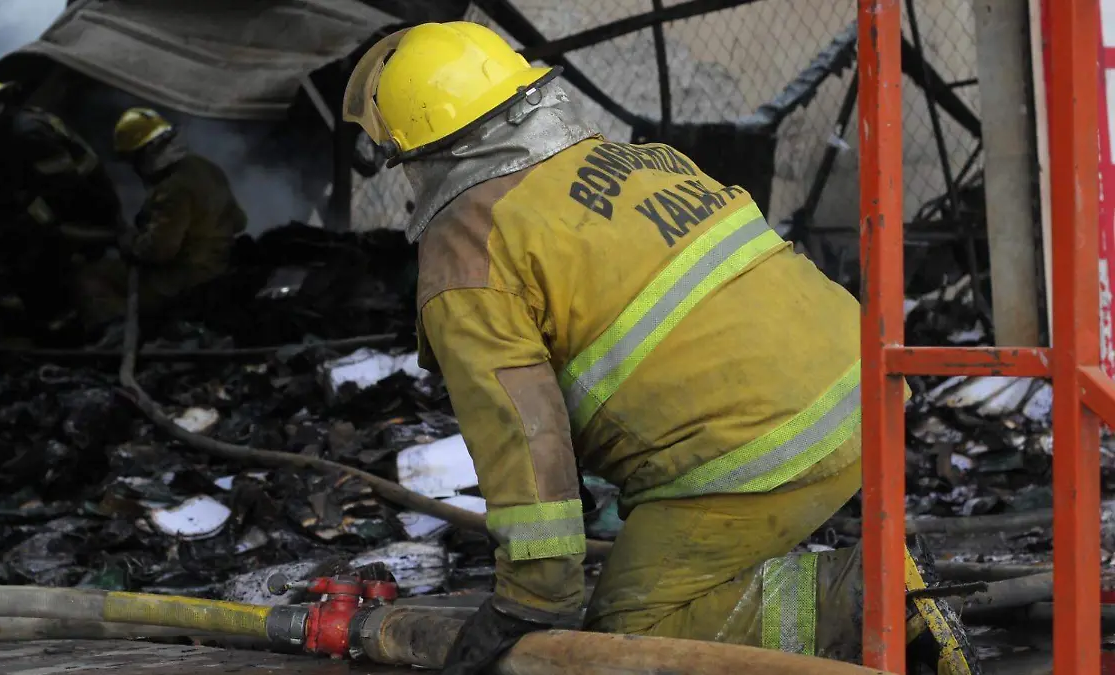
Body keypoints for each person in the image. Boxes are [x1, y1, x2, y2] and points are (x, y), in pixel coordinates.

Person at [341, 21, 980, 674]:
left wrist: (532, 600)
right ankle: (868, 579)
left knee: (630, 634)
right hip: (869, 395)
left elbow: (521, 433)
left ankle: (871, 597)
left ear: (411, 154)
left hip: (763, 458)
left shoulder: (469, 249)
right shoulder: (641, 157)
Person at [0, 75, 123, 330]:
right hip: (78, 207)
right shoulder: (14, 129)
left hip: (90, 215)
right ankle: (34, 315)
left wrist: (31, 224)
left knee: (30, 259)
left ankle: (59, 325)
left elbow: (65, 190)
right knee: (13, 244)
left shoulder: (26, 133)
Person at [73, 107, 247, 329]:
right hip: (220, 267)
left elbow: (158, 252)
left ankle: (121, 335)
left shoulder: (172, 189)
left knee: (90, 276)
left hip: (187, 280)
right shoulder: (204, 166)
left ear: (144, 154)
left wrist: (129, 243)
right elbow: (240, 221)